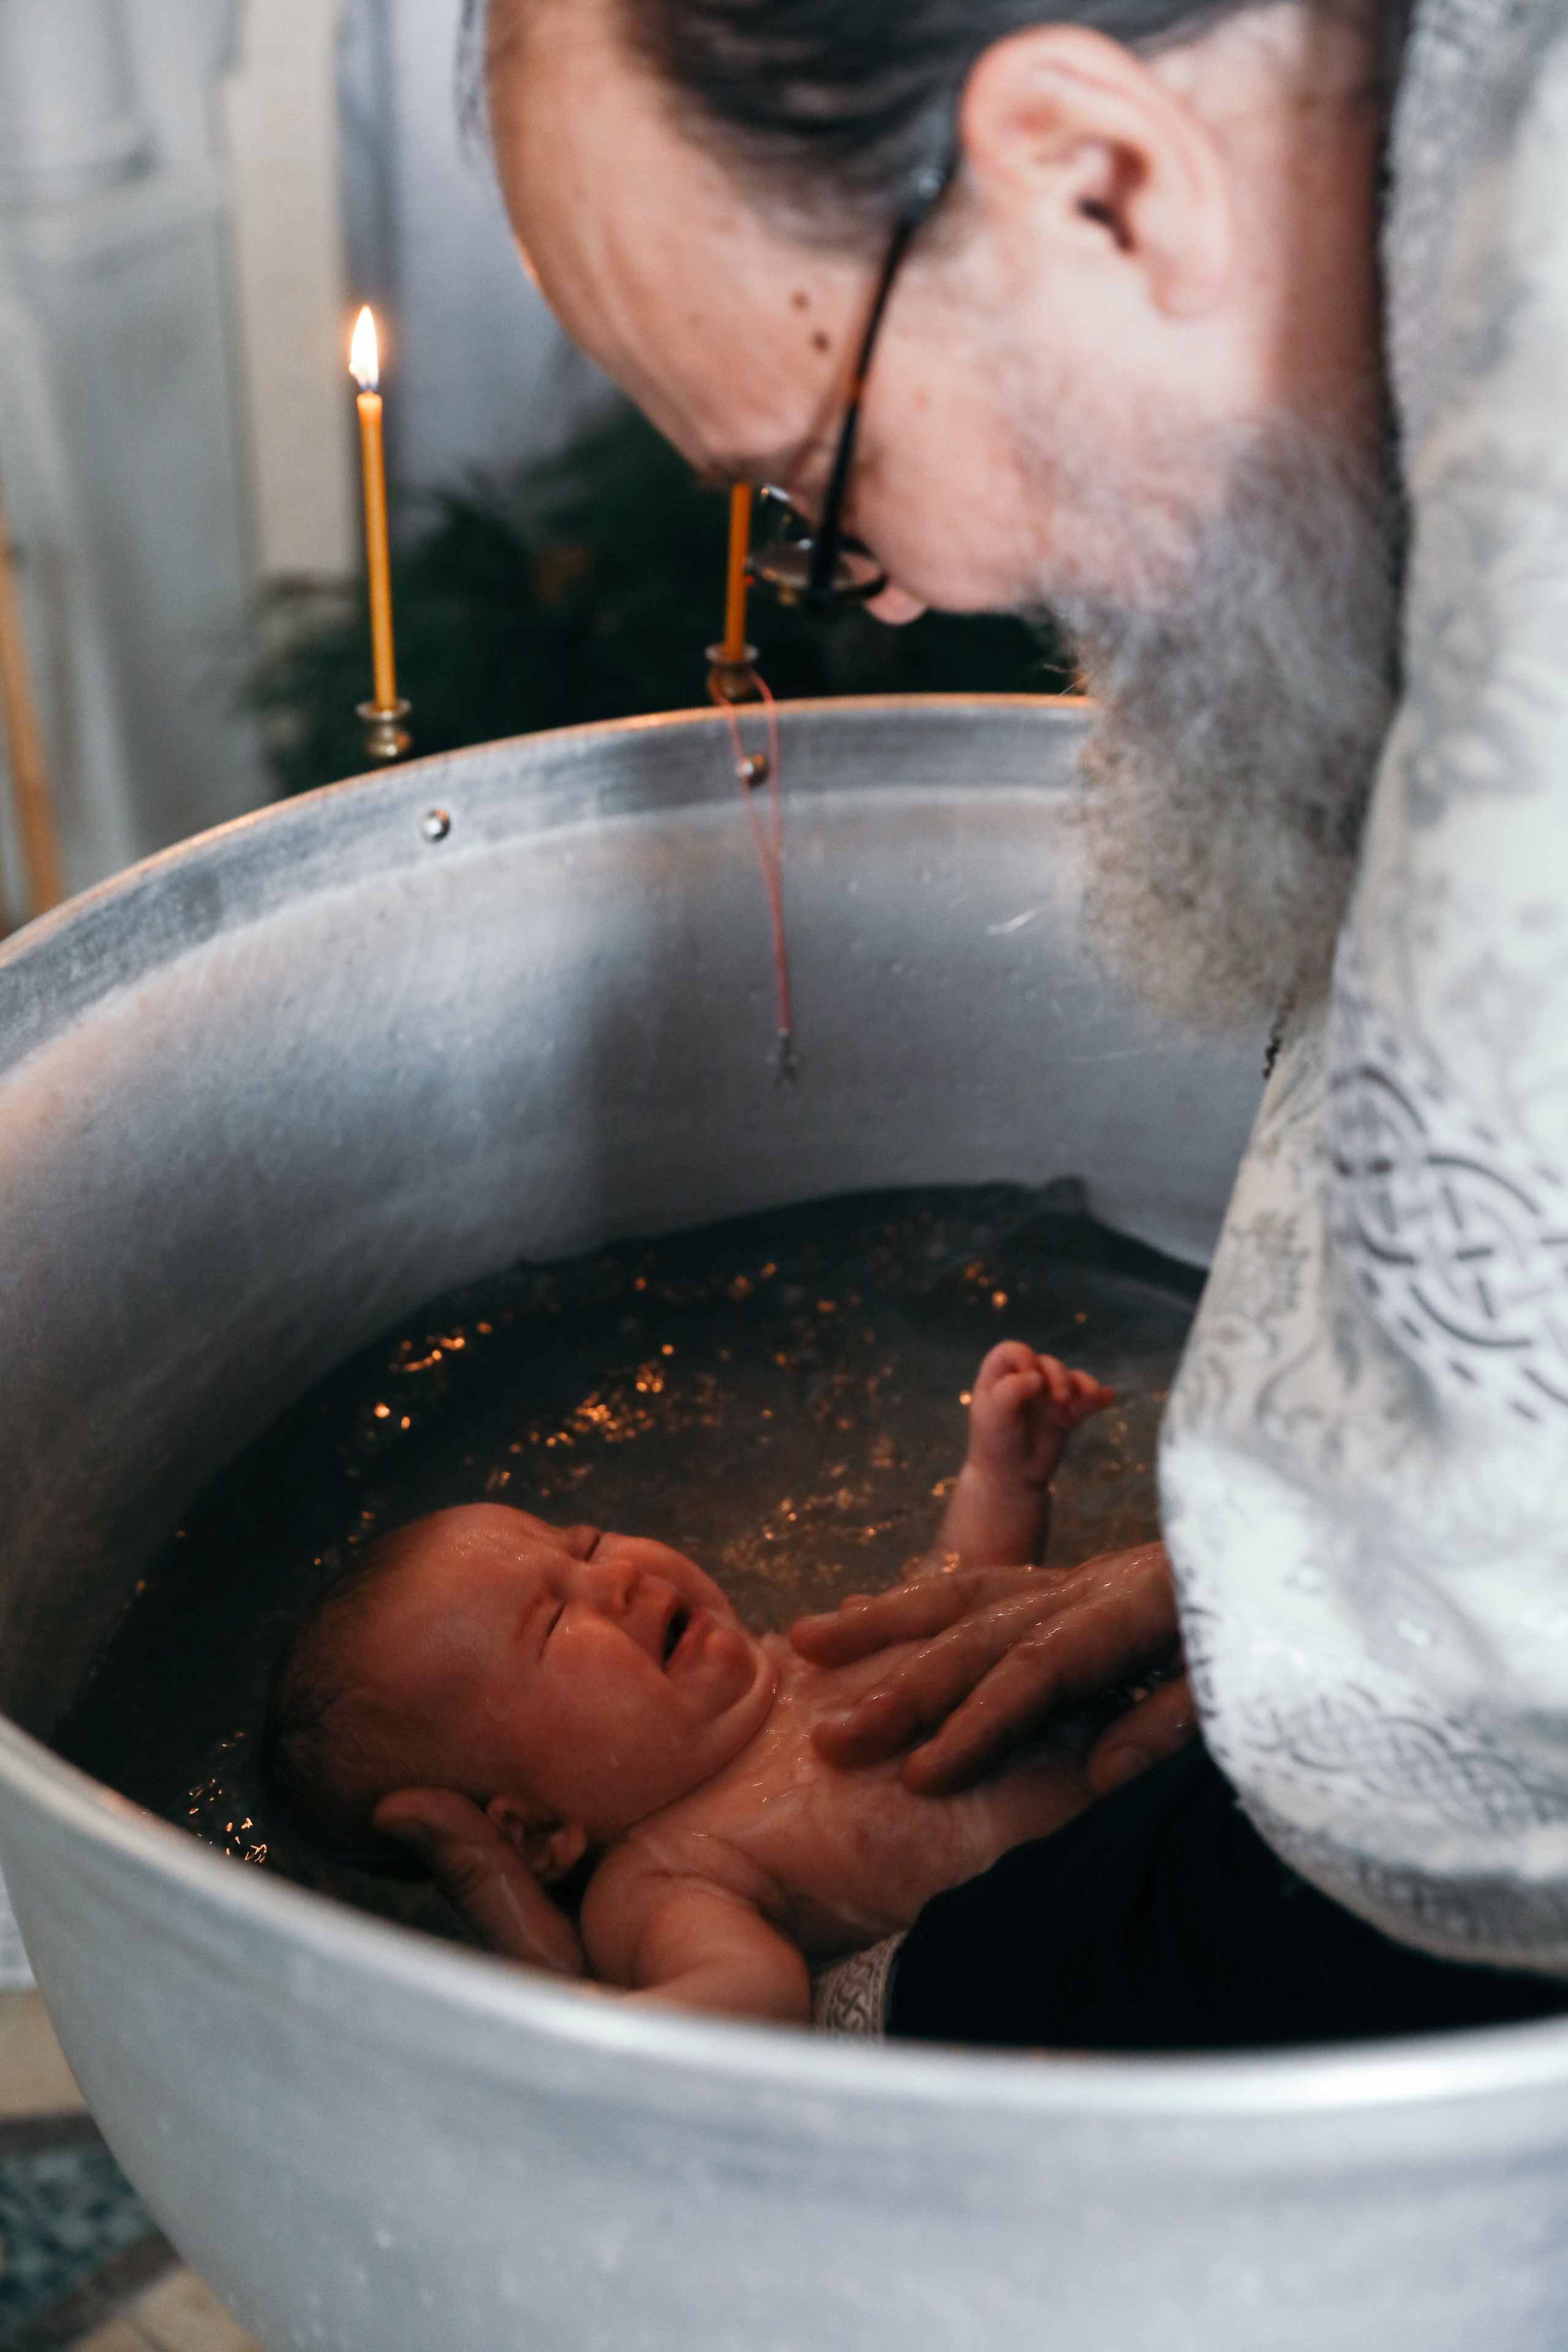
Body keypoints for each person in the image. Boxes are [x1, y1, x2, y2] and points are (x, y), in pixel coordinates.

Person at [265, 1349, 1115, 2024]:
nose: (616, 1578)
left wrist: (1000, 1481)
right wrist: (566, 2017)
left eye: (586, 1545)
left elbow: (961, 1608)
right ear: (533, 1832)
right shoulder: (662, 1878)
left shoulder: (796, 1659)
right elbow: (752, 2002)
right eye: (553, 1623)